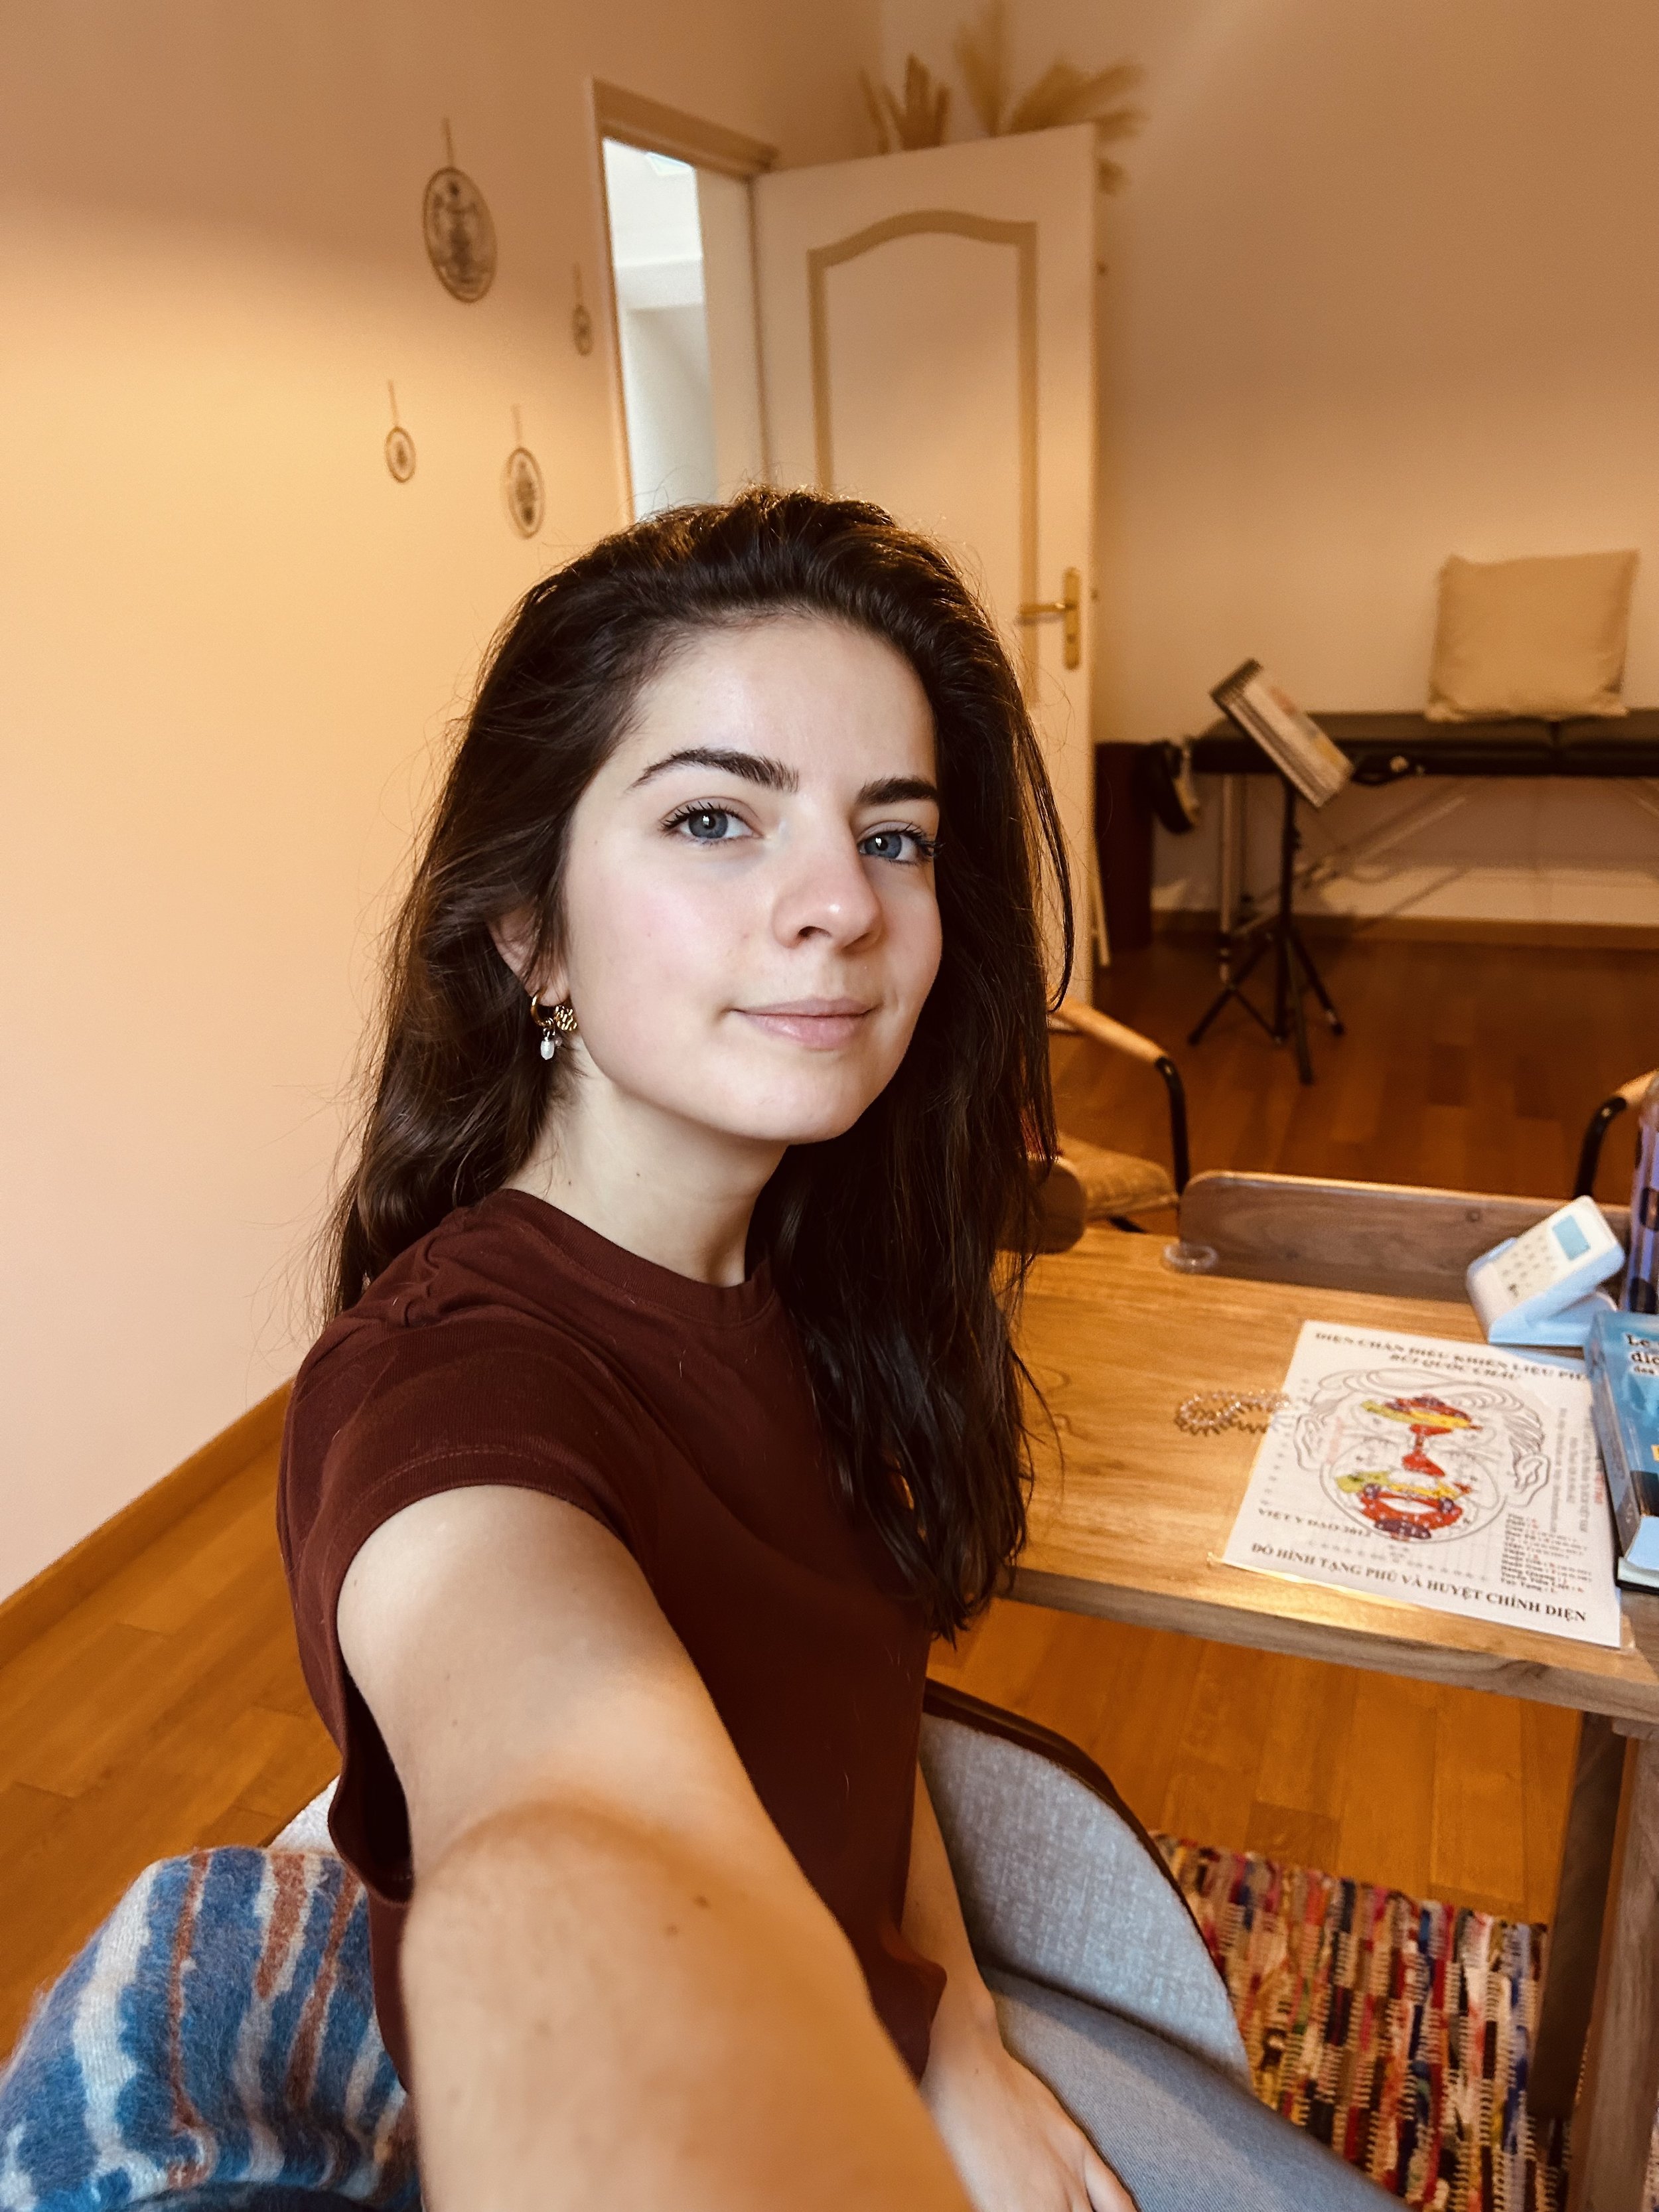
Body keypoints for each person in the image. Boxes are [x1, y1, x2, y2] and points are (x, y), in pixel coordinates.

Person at [279, 490, 1390, 2212]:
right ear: (530, 934)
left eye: (893, 836)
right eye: (718, 818)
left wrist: (951, 2051)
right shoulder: (452, 1392)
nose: (841, 908)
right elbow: (564, 1827)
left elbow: (859, 1723)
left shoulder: (797, 1263)